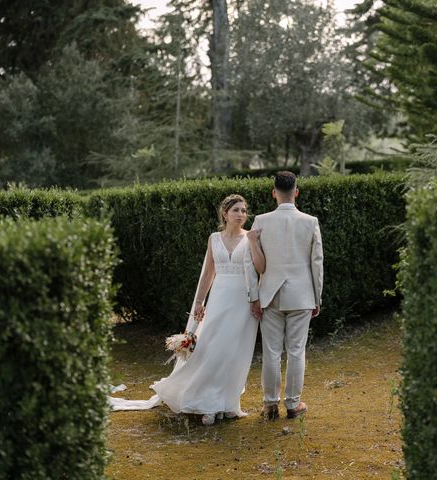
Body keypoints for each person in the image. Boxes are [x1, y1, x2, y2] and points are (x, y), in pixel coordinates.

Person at [109, 194, 265, 426]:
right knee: (211, 349)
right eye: (236, 210)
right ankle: (208, 403)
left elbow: (262, 268)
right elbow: (208, 273)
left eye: (244, 210)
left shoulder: (251, 237)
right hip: (220, 299)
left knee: (235, 354)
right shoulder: (214, 238)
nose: (241, 214)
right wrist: (200, 302)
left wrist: (253, 242)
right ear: (225, 213)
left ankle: (229, 404)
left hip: (244, 301)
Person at [244, 171, 324, 420]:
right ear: (296, 192)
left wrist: (254, 297)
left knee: (271, 352)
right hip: (302, 295)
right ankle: (293, 404)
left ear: (273, 193)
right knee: (297, 351)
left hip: (270, 295)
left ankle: (269, 405)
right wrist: (317, 298)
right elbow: (317, 263)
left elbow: (250, 263)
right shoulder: (310, 221)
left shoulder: (260, 220)